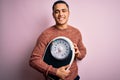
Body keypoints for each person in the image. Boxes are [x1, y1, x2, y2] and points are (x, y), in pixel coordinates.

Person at [29, 0, 86, 80]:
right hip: (52, 78)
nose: (61, 14)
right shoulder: (46, 34)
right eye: (57, 12)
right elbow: (34, 60)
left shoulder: (76, 32)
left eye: (64, 11)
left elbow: (83, 51)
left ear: (68, 13)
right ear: (53, 15)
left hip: (74, 78)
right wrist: (55, 72)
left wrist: (79, 54)